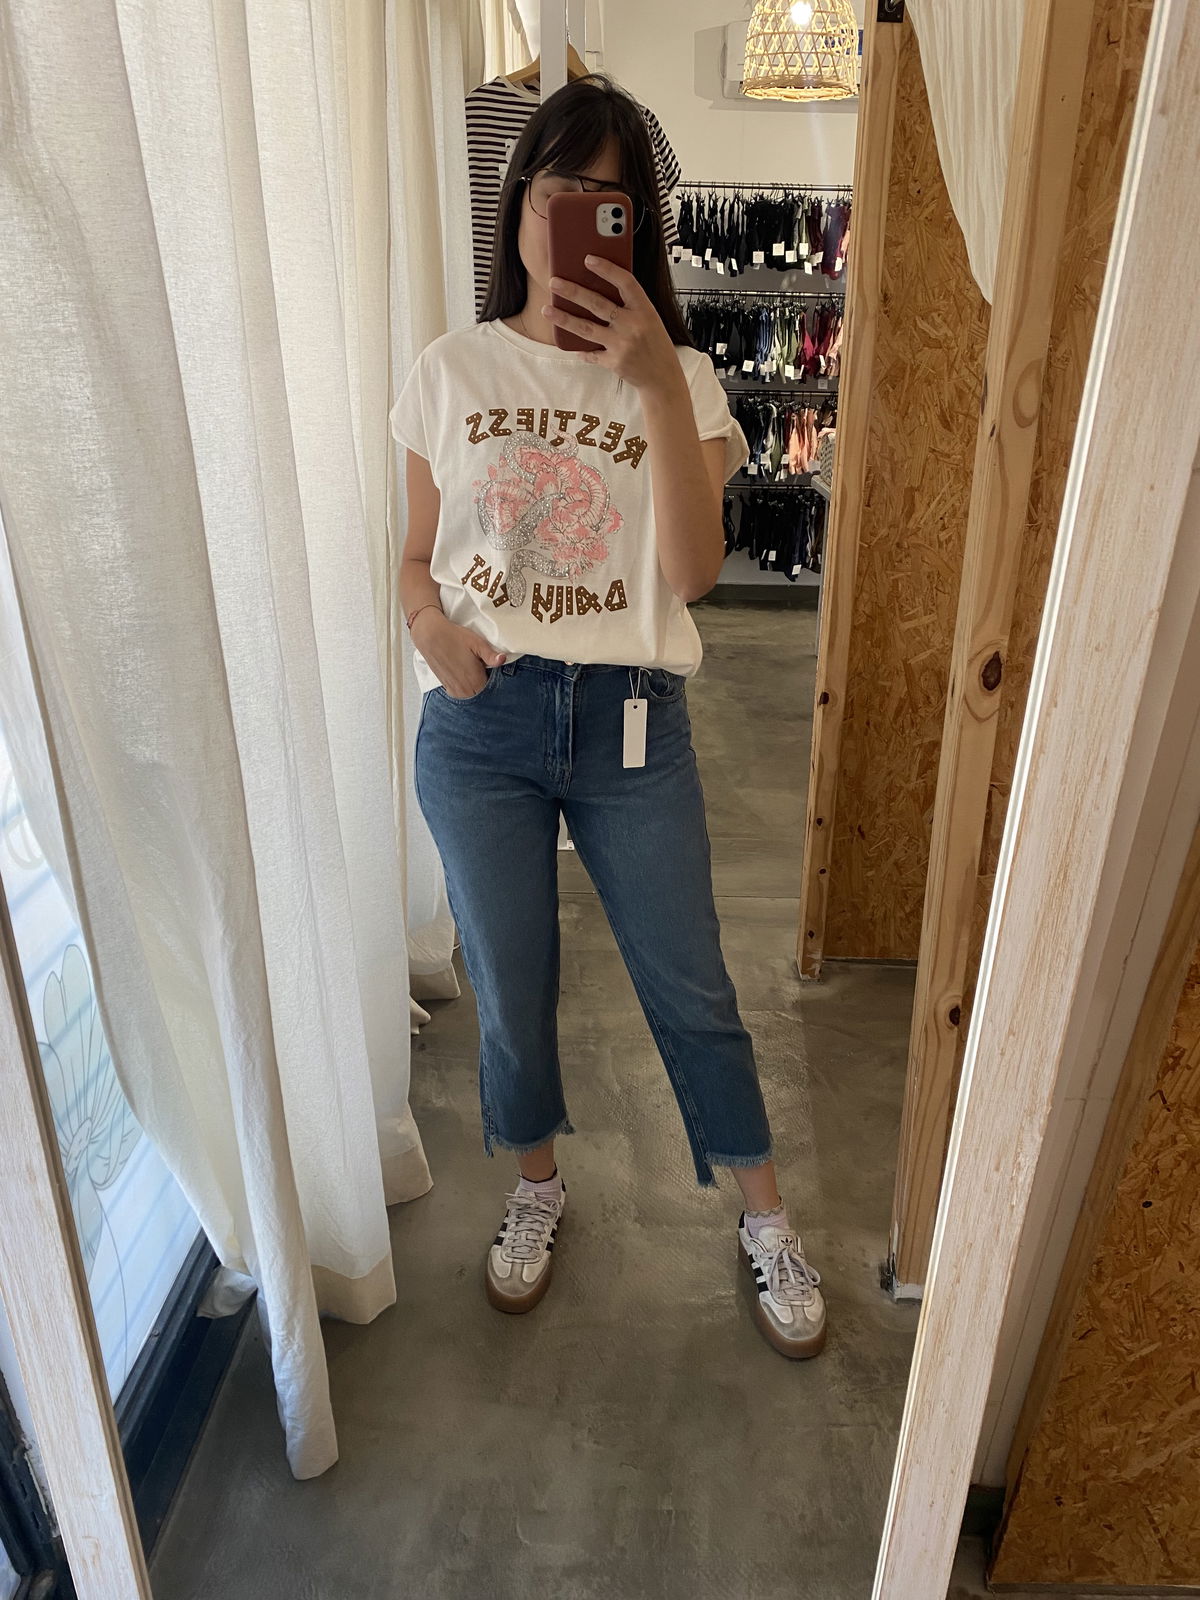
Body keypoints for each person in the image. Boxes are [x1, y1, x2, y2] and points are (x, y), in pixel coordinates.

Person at [391, 73, 825, 1360]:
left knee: (692, 981)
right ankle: (537, 1186)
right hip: (484, 724)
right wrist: (431, 635)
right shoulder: (450, 371)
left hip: (635, 720)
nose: (580, 215)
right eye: (561, 189)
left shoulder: (683, 377)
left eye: (611, 199)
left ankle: (765, 1214)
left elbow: (691, 574)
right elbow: (414, 561)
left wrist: (653, 387)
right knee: (511, 983)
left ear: (641, 225)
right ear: (520, 202)